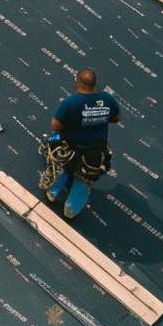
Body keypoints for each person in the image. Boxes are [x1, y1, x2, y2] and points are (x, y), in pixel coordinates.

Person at [44, 68, 121, 220]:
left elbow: (55, 126)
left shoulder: (70, 102)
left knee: (65, 169)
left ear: (78, 82)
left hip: (70, 149)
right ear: (95, 84)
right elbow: (116, 119)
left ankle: (52, 193)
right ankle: (70, 210)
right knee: (83, 181)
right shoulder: (107, 99)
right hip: (95, 153)